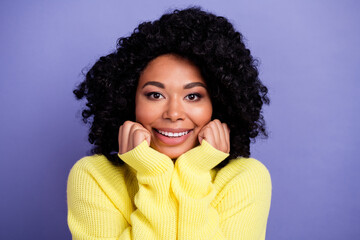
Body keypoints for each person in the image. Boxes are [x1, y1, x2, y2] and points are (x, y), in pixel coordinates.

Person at [67, 7, 271, 240]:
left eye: (193, 96)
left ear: (218, 103)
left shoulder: (244, 178)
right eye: (155, 95)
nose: (173, 113)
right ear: (128, 99)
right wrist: (152, 172)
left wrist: (194, 171)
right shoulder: (94, 176)